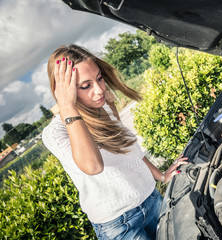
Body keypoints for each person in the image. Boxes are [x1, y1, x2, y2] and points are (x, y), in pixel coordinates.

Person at [42, 44, 188, 240]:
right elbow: (93, 166)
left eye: (99, 78)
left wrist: (161, 176)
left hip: (152, 199)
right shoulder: (55, 132)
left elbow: (128, 150)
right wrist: (67, 106)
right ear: (63, 90)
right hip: (119, 225)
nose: (100, 89)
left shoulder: (105, 106)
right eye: (86, 86)